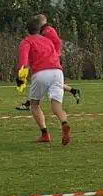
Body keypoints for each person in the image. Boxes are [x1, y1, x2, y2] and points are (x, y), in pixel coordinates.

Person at [16, 17, 71, 145]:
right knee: (56, 104)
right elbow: (56, 51)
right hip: (57, 72)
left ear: (27, 30)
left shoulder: (26, 41)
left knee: (34, 104)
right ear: (39, 29)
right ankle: (64, 122)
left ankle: (45, 134)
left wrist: (21, 79)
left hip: (41, 73)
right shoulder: (48, 40)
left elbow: (24, 62)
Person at [15, 13, 81, 110]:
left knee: (42, 80)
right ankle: (74, 91)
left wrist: (54, 55)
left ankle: (29, 104)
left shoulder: (47, 31)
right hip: (49, 59)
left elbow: (57, 43)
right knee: (50, 82)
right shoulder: (45, 31)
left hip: (50, 59)